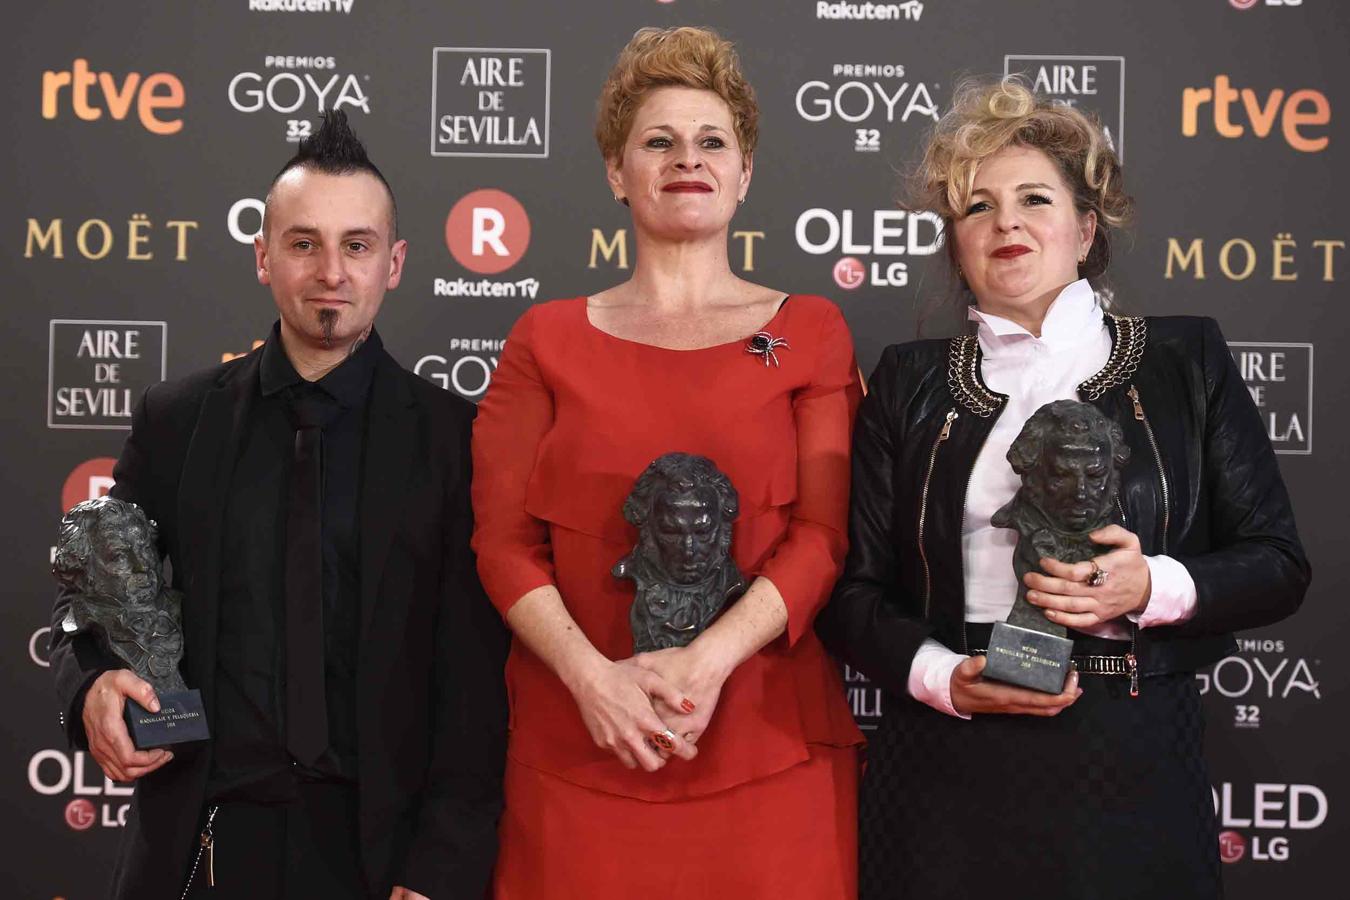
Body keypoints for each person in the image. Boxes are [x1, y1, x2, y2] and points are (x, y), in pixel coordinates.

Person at [816, 77, 1310, 899]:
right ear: (957, 243)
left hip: (1135, 755)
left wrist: (1155, 582)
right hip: (945, 762)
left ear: (1085, 229)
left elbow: (1277, 564)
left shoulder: (1184, 360)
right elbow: (853, 593)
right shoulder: (906, 381)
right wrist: (943, 676)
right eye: (977, 206)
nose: (1005, 221)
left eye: (1034, 199)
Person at [49, 110, 508, 900]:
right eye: (304, 243)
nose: (331, 269)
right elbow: (96, 588)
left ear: (393, 263)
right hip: (206, 843)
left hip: (383, 858)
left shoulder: (458, 439)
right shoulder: (178, 420)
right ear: (264, 258)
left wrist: (441, 869)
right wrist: (90, 687)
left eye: (356, 245)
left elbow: (477, 681)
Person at [471, 25, 863, 899]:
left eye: (711, 141)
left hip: (767, 747)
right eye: (659, 141)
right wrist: (594, 682)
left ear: (745, 171)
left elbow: (823, 538)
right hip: (580, 743)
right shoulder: (546, 339)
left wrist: (706, 663)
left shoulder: (811, 330)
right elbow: (502, 544)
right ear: (617, 172)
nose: (688, 159)